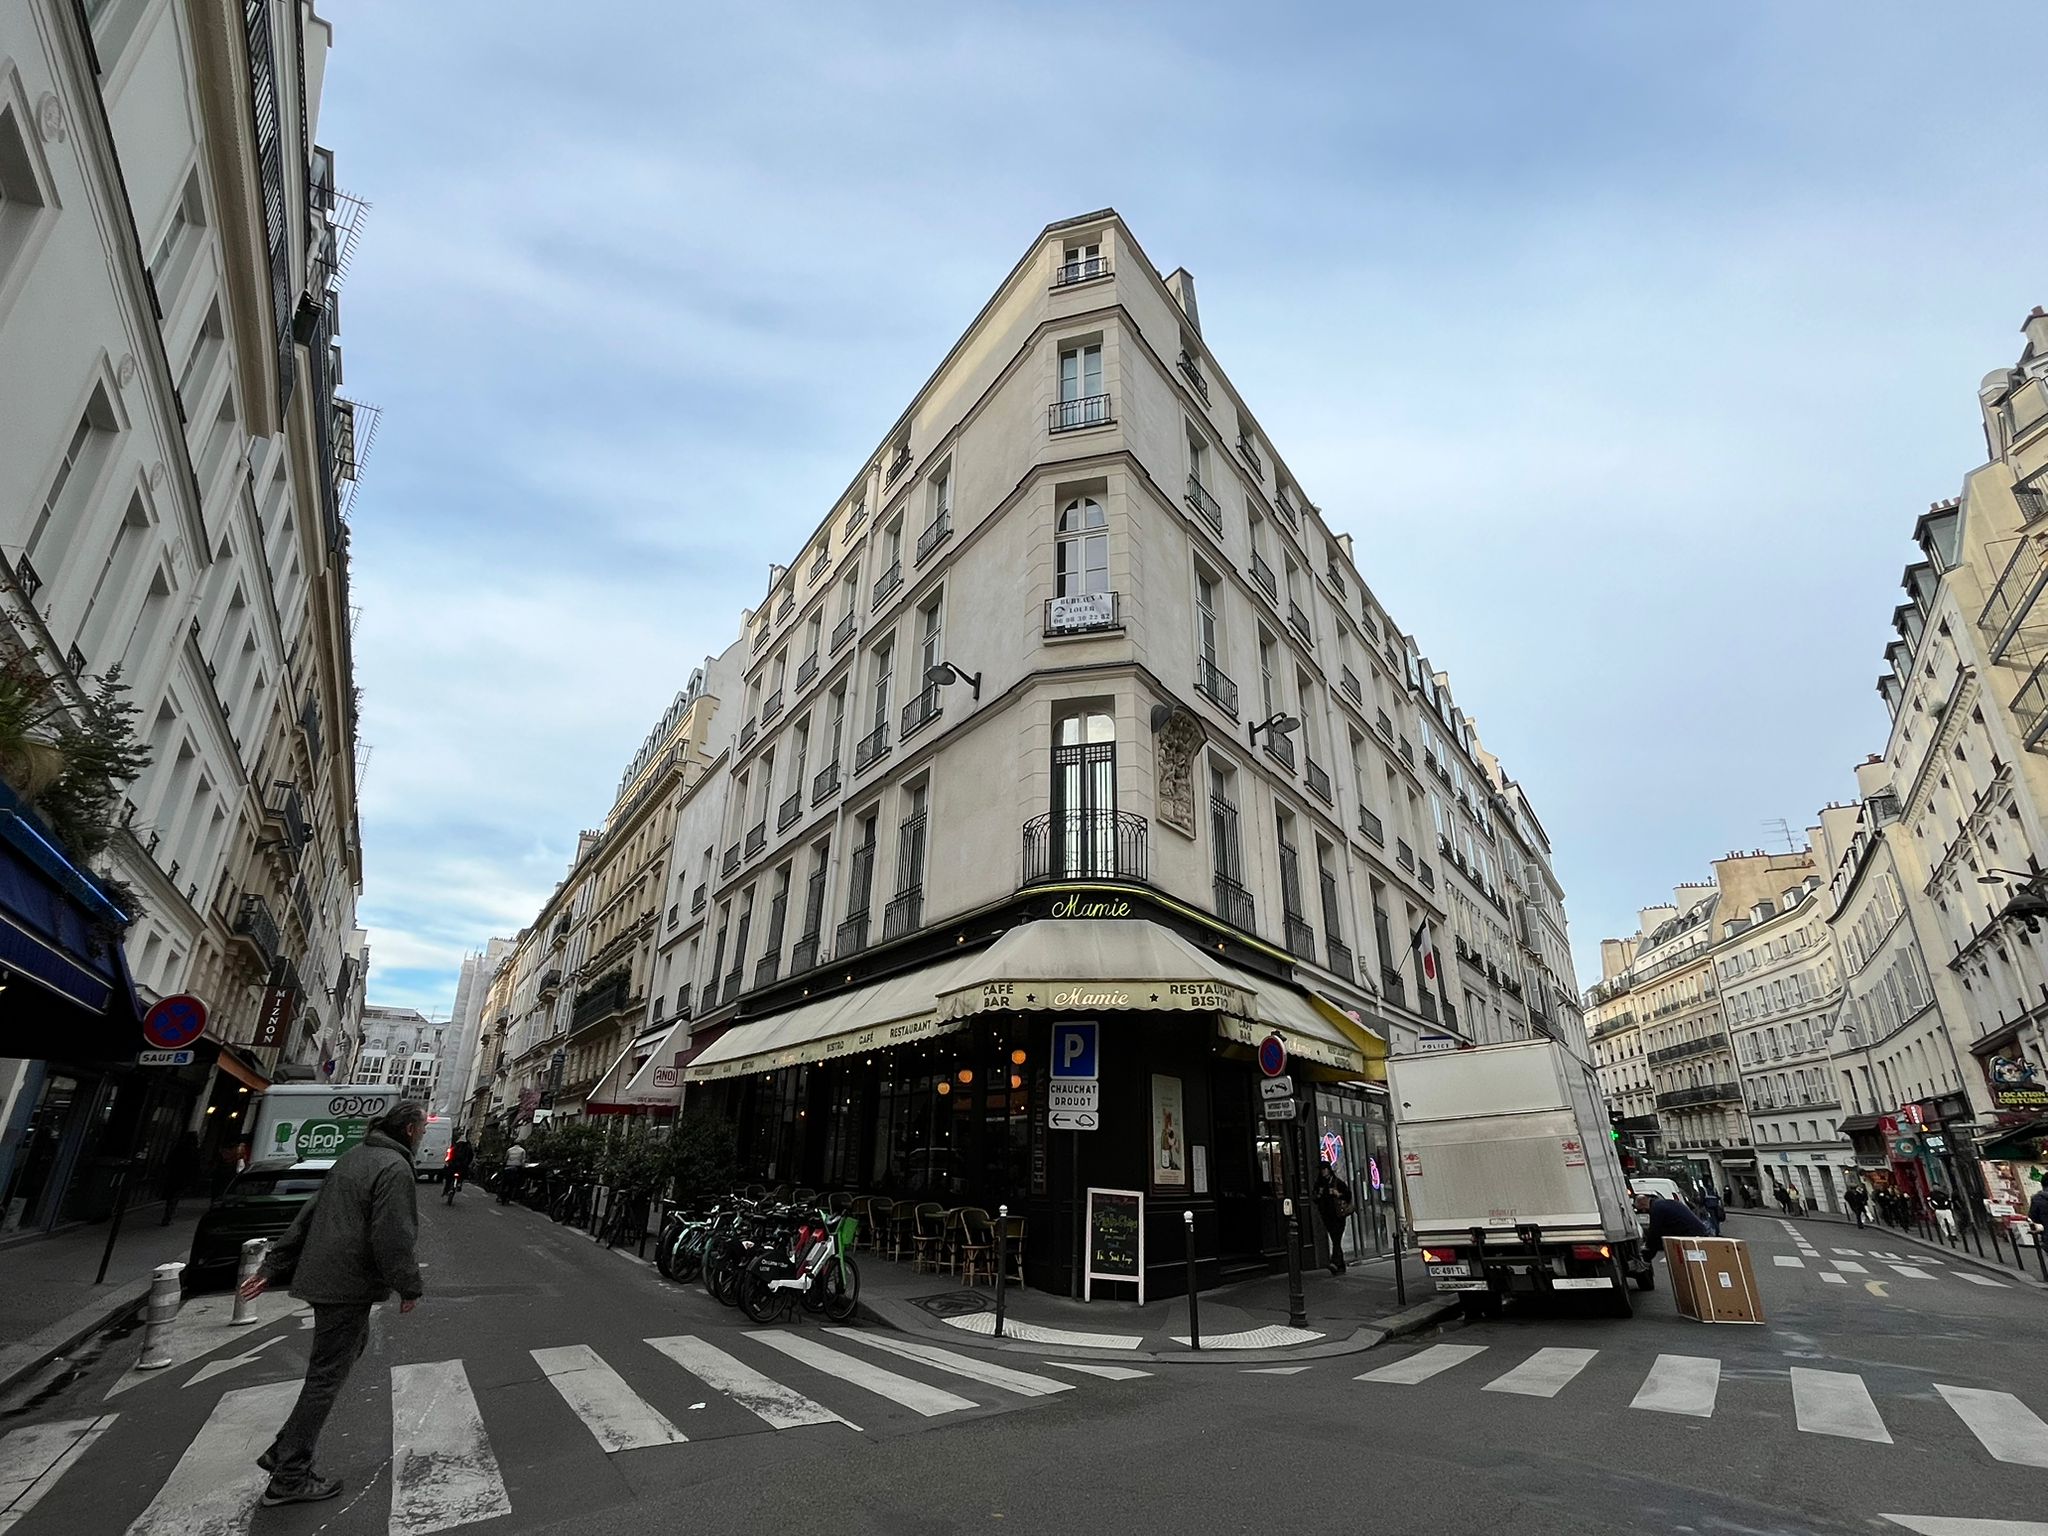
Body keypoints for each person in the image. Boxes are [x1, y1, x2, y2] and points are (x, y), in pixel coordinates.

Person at [239, 1101, 427, 1507]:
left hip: (327, 1277)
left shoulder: (353, 1157)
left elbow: (308, 1214)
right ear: (411, 1130)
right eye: (423, 1127)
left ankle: (283, 1449)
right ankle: (289, 1475)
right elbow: (393, 1236)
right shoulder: (394, 1168)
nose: (425, 1134)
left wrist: (275, 1264)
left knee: (345, 1355)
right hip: (347, 1282)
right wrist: (408, 1286)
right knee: (326, 1378)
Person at [1637, 1191, 1711, 1263]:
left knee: (1692, 1261)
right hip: (1695, 1230)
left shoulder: (1656, 1209)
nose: (1644, 1212)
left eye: (1642, 1210)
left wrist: (1647, 1251)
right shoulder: (1662, 1204)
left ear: (1643, 1205)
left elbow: (1655, 1232)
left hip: (1691, 1234)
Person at [1313, 1157, 1353, 1275]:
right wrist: (1319, 1195)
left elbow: (1348, 1195)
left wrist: (1338, 1194)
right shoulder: (1319, 1184)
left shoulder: (1337, 1182)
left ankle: (1334, 1262)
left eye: (1325, 1169)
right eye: (1322, 1170)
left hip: (1338, 1216)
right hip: (1327, 1216)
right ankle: (1340, 1266)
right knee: (1335, 1239)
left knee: (1336, 1239)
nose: (1323, 1172)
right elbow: (1315, 1198)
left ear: (1329, 1170)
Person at [159, 1131, 201, 1226]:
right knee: (175, 1196)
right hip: (184, 1177)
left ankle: (168, 1215)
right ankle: (169, 1215)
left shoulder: (179, 1148)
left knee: (171, 1196)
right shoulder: (194, 1151)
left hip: (174, 1175)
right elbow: (196, 1167)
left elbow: (170, 1160)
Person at [498, 1137, 529, 1205]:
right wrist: (523, 1167)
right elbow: (523, 1160)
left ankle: (500, 1195)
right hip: (516, 1167)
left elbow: (505, 1159)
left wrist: (504, 1165)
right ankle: (510, 1197)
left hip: (508, 1166)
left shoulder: (509, 1150)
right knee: (514, 1184)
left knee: (504, 1182)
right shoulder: (522, 1150)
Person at [445, 1134, 475, 1201]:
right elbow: (471, 1156)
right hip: (462, 1166)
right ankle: (459, 1184)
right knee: (463, 1175)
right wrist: (468, 1164)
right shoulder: (468, 1147)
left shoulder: (455, 1146)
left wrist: (449, 1162)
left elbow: (449, 1155)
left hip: (454, 1165)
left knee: (449, 1177)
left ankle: (446, 1190)